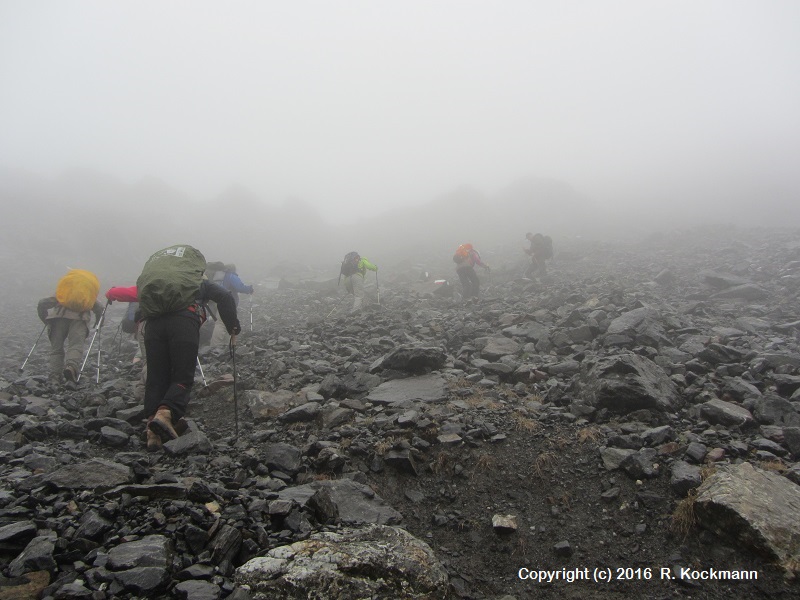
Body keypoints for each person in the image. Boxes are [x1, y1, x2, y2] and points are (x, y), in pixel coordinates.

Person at [139, 248, 241, 451]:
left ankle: (152, 430)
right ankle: (165, 413)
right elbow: (225, 298)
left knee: (156, 377)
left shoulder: (158, 284)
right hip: (183, 322)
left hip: (152, 326)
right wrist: (233, 327)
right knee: (182, 376)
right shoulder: (196, 281)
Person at [37, 270, 105, 383]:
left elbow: (42, 303)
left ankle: (55, 376)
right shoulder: (87, 295)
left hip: (58, 318)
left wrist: (45, 319)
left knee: (56, 349)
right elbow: (100, 308)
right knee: (75, 346)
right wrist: (99, 323)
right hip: (80, 319)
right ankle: (71, 367)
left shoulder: (63, 292)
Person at [105, 285, 146, 401]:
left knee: (146, 353)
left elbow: (129, 292)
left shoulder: (145, 286)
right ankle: (146, 390)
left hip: (142, 323)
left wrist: (112, 293)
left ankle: (141, 385)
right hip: (167, 323)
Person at [205, 262, 254, 346]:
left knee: (222, 322)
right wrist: (250, 289)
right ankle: (214, 346)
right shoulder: (231, 275)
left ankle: (225, 345)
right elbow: (240, 287)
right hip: (225, 302)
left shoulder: (218, 276)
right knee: (222, 323)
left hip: (213, 301)